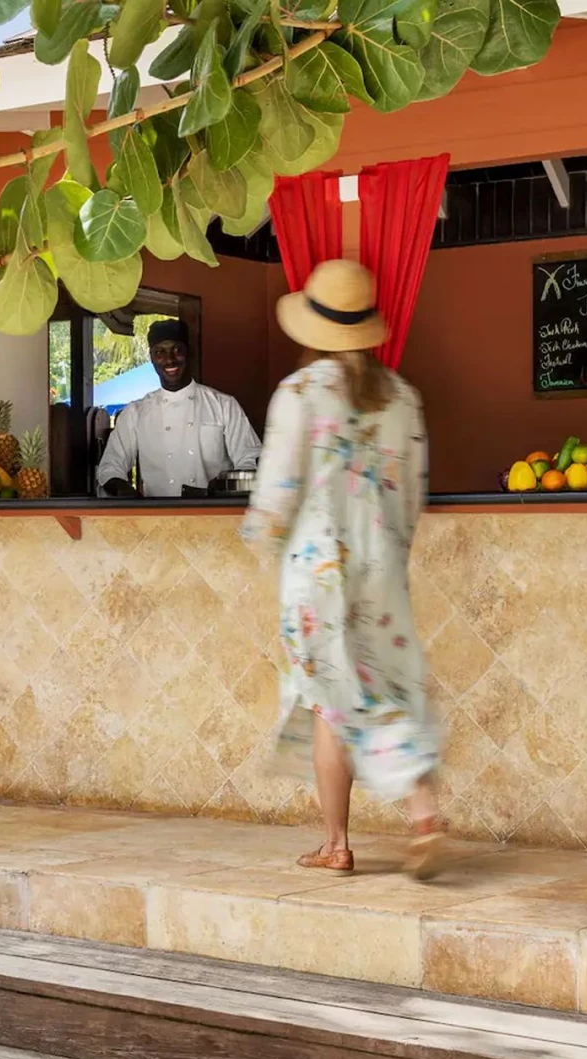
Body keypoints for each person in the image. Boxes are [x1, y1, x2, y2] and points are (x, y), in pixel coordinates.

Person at [240, 259, 446, 877]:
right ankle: (393, 818)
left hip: (318, 572)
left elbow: (276, 492)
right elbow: (413, 492)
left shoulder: (299, 394)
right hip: (381, 565)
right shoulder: (403, 399)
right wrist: (392, 552)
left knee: (330, 693)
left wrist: (258, 539)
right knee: (375, 684)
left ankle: (376, 822)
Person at [95, 319, 262, 496]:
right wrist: (127, 494)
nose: (170, 359)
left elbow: (250, 459)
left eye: (177, 350)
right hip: (157, 517)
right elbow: (110, 468)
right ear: (151, 357)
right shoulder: (135, 413)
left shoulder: (224, 405)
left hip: (214, 512)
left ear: (188, 353)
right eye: (160, 352)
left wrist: (225, 483)